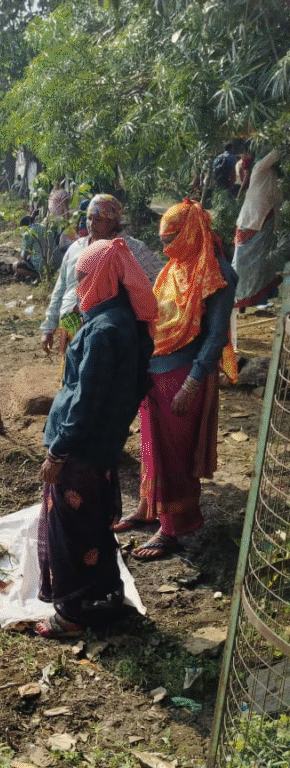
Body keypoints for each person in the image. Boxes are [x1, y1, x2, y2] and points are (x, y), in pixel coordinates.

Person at [35, 238, 157, 638]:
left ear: (104, 278)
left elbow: (85, 400)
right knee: (95, 524)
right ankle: (105, 599)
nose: (79, 283)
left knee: (71, 530)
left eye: (84, 276)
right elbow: (130, 387)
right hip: (102, 444)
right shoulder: (126, 320)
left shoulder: (105, 330)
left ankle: (72, 614)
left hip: (80, 448)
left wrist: (58, 452)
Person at [114, 199, 238, 561]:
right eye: (163, 240)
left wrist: (192, 383)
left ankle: (173, 529)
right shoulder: (174, 268)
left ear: (190, 234)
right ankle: (147, 509)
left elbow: (216, 335)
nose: (166, 247)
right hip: (155, 373)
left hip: (182, 377)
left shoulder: (218, 274)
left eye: (172, 239)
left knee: (175, 456)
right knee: (151, 448)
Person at [40, 195, 165, 358]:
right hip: (72, 329)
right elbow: (60, 289)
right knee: (72, 370)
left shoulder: (132, 249)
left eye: (98, 220)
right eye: (89, 218)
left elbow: (160, 282)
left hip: (110, 332)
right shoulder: (75, 249)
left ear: (114, 221)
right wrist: (48, 327)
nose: (91, 224)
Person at [232, 149, 284, 314]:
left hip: (264, 223)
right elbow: (276, 153)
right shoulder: (260, 168)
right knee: (243, 265)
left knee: (262, 266)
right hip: (251, 222)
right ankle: (240, 299)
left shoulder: (274, 176)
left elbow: (277, 200)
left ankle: (260, 301)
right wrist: (284, 142)